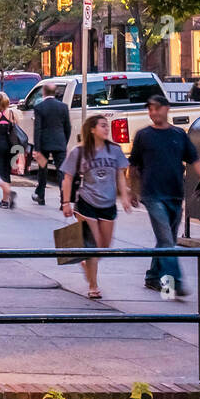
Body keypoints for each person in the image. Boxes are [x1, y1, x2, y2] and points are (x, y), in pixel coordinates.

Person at [128, 94, 200, 297]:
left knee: (164, 239)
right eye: (150, 109)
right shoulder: (143, 135)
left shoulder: (179, 134)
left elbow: (196, 160)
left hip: (175, 194)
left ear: (166, 109)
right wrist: (132, 191)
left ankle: (152, 277)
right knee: (167, 240)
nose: (153, 112)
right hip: (152, 195)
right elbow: (132, 166)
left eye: (157, 108)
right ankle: (173, 284)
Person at [60, 114, 132, 300]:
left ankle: (87, 263)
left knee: (104, 246)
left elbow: (121, 175)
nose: (106, 129)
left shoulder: (114, 150)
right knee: (92, 245)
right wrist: (66, 202)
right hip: (86, 202)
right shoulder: (79, 151)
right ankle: (93, 285)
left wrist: (124, 196)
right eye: (102, 126)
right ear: (92, 129)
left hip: (108, 203)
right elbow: (67, 178)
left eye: (107, 126)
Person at [31, 82, 72, 206]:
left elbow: (37, 129)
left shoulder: (39, 108)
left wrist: (37, 148)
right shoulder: (63, 107)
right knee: (61, 172)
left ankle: (41, 196)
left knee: (42, 170)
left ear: (44, 92)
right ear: (54, 93)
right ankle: (63, 201)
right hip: (60, 143)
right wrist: (64, 142)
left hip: (44, 144)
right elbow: (68, 127)